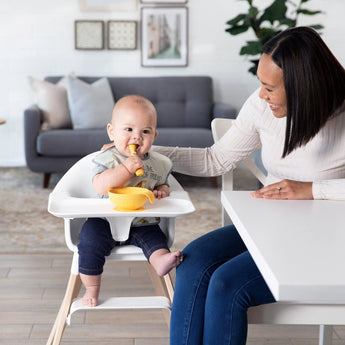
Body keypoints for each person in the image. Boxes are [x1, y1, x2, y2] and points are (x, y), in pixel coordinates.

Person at [150, 26, 345, 345]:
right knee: (192, 262)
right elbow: (216, 159)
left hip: (326, 243)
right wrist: (150, 154)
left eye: (270, 88)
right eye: (260, 84)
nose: (261, 95)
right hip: (272, 227)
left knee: (226, 284)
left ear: (304, 87)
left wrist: (312, 190)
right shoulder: (261, 107)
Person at [78, 95, 183, 307]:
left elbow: (163, 183)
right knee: (89, 243)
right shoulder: (108, 158)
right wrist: (125, 168)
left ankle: (161, 260)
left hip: (141, 222)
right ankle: (92, 287)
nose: (136, 137)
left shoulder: (158, 163)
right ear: (111, 131)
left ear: (154, 135)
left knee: (156, 239)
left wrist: (162, 189)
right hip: (105, 221)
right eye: (128, 130)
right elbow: (100, 185)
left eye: (145, 131)